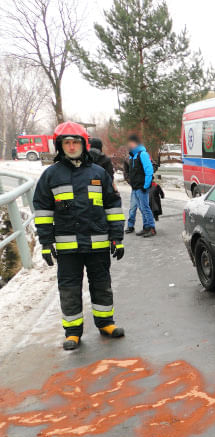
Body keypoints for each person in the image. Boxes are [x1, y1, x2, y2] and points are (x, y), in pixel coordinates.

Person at [32, 121, 126, 351]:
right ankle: (73, 332)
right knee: (69, 288)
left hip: (98, 244)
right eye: (67, 143)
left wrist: (117, 238)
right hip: (67, 248)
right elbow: (43, 212)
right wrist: (46, 243)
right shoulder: (50, 176)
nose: (72, 146)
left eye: (76, 142)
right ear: (60, 146)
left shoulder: (98, 173)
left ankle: (106, 323)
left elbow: (113, 206)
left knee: (102, 284)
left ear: (84, 144)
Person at [125, 134, 156, 237]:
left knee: (145, 208)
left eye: (131, 143)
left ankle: (151, 228)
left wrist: (145, 186)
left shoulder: (142, 154)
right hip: (135, 187)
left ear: (135, 143)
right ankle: (146, 227)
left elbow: (149, 171)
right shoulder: (132, 156)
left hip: (142, 187)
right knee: (142, 209)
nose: (129, 145)